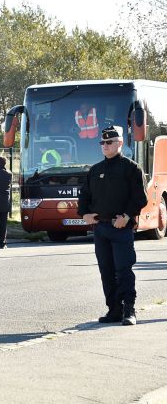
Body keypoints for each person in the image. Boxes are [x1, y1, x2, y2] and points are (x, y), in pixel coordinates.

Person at [78, 126, 148, 326]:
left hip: (121, 228)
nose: (105, 146)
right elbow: (85, 196)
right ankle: (114, 309)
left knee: (124, 269)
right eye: (103, 143)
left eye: (110, 142)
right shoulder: (95, 169)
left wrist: (126, 216)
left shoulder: (131, 168)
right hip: (101, 228)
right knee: (106, 271)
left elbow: (139, 198)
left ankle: (129, 310)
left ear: (120, 144)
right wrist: (84, 214)